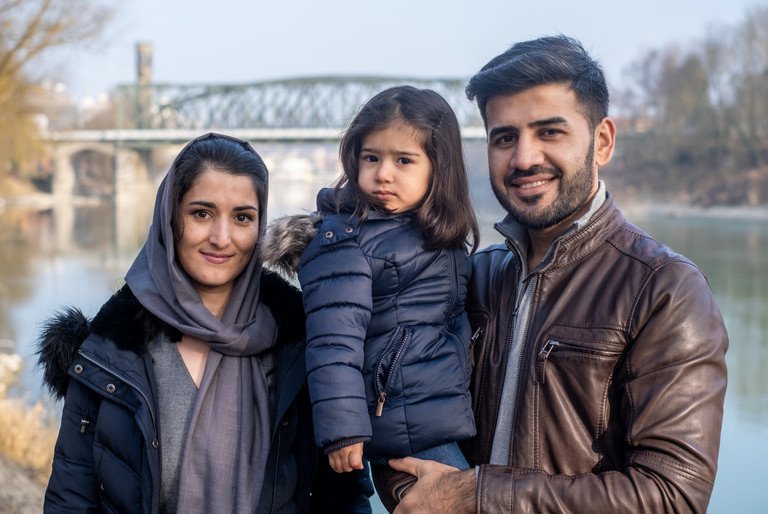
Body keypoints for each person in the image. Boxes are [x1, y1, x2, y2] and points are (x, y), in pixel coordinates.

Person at [379, 35, 729, 513]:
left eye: (549, 132)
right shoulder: (471, 277)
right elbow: (398, 414)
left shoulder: (665, 289)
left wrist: (476, 496)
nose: (524, 158)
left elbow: (673, 499)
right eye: (505, 138)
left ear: (602, 142)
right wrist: (417, 494)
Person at [36, 132, 373, 513]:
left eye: (242, 218)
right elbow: (71, 499)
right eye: (201, 213)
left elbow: (343, 498)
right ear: (170, 218)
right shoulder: (107, 349)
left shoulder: (309, 343)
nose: (221, 238)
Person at [262, 86, 479, 483]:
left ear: (439, 167)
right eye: (371, 157)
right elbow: (333, 340)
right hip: (400, 423)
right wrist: (343, 429)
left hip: (438, 413)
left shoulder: (434, 236)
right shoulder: (347, 240)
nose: (383, 174)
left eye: (403, 160)